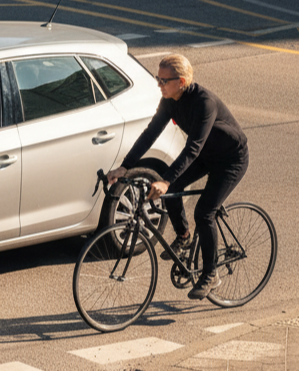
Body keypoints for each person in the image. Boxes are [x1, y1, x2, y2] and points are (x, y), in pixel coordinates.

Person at [106, 54, 249, 301]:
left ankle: (210, 274)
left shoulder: (205, 103)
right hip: (206, 155)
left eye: (163, 80)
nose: (158, 85)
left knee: (204, 212)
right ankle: (183, 237)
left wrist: (166, 180)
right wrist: (125, 167)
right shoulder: (170, 100)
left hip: (230, 159)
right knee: (171, 192)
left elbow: (192, 148)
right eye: (157, 79)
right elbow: (150, 133)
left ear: (180, 81)